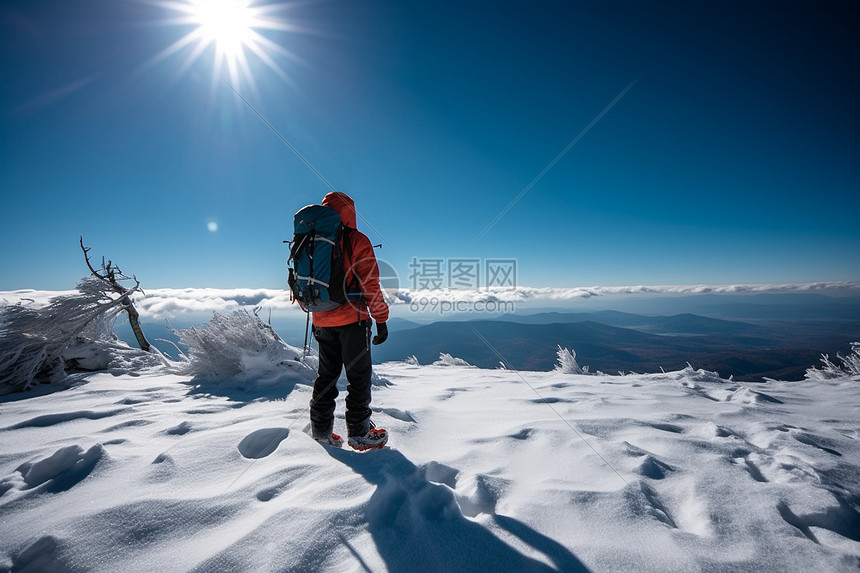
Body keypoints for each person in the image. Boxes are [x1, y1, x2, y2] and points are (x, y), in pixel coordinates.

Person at [308, 191, 390, 451]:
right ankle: (359, 432)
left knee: (326, 376)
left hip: (321, 318)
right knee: (358, 377)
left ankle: (320, 431)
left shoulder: (311, 240)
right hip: (353, 320)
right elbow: (371, 284)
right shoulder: (356, 239)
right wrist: (381, 319)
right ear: (350, 212)